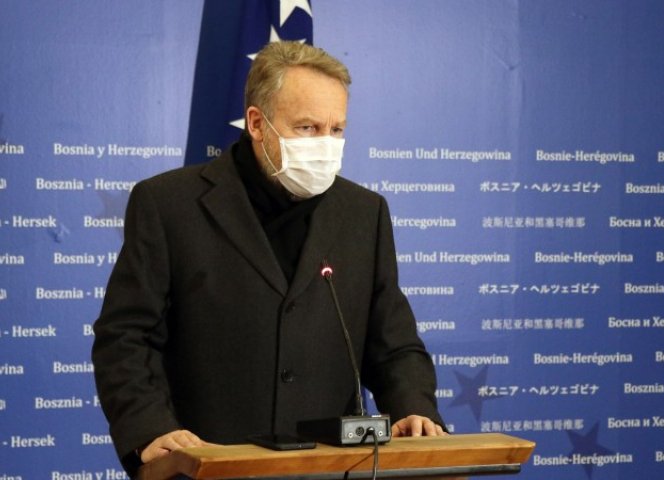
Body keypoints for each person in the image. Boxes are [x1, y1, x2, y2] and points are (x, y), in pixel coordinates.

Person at [92, 41, 446, 478]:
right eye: (308, 127)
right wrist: (150, 428)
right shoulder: (168, 204)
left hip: (330, 467)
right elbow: (126, 337)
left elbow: (393, 342)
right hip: (206, 465)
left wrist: (413, 408)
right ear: (257, 124)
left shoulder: (364, 213)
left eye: (336, 129)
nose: (326, 144)